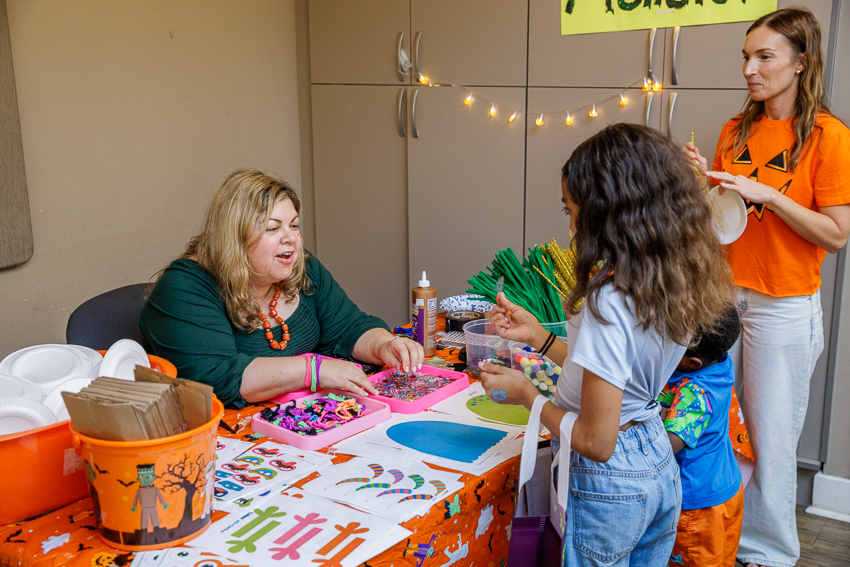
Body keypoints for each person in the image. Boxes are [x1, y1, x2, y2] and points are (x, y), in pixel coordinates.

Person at [479, 123, 732, 566]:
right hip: (653, 454)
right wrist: (540, 337)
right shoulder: (666, 281)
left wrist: (526, 395)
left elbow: (597, 441)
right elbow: (611, 377)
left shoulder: (608, 300)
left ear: (609, 211)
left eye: (572, 210)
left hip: (609, 483)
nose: (572, 225)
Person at [684, 8, 850, 567]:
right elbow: (723, 221)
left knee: (771, 440)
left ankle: (769, 555)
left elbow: (836, 235)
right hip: (724, 298)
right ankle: (720, 540)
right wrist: (700, 183)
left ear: (801, 64)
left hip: (783, 307)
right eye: (746, 57)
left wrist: (771, 196)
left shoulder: (829, 137)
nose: (750, 70)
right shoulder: (737, 130)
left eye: (765, 57)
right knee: (711, 425)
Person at [140, 169, 423, 408]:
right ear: (234, 239)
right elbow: (219, 378)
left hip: (301, 423)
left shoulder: (304, 268)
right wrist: (314, 370)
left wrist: (384, 344)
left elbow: (351, 327)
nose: (292, 239)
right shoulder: (185, 286)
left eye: (294, 225)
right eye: (273, 228)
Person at [659, 307, 743, 567]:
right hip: (724, 486)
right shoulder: (718, 360)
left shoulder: (695, 393)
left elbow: (668, 445)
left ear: (692, 362)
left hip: (696, 507)